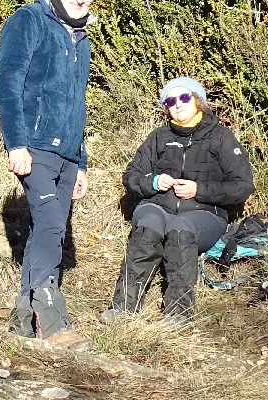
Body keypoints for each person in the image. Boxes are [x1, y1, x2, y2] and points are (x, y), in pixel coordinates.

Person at [0, 0, 104, 350]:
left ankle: (24, 322)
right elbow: (7, 85)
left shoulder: (81, 38)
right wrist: (16, 143)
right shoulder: (28, 20)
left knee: (45, 229)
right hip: (34, 147)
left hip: (68, 154)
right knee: (53, 227)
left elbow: (78, 103)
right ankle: (54, 323)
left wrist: (82, 161)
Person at [101, 77, 254, 324]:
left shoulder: (221, 137)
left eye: (184, 97)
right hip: (157, 207)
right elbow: (131, 176)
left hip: (205, 213)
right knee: (148, 226)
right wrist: (153, 183)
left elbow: (242, 186)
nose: (178, 104)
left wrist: (199, 190)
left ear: (197, 100)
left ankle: (178, 314)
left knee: (181, 229)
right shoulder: (159, 137)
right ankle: (123, 308)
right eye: (170, 101)